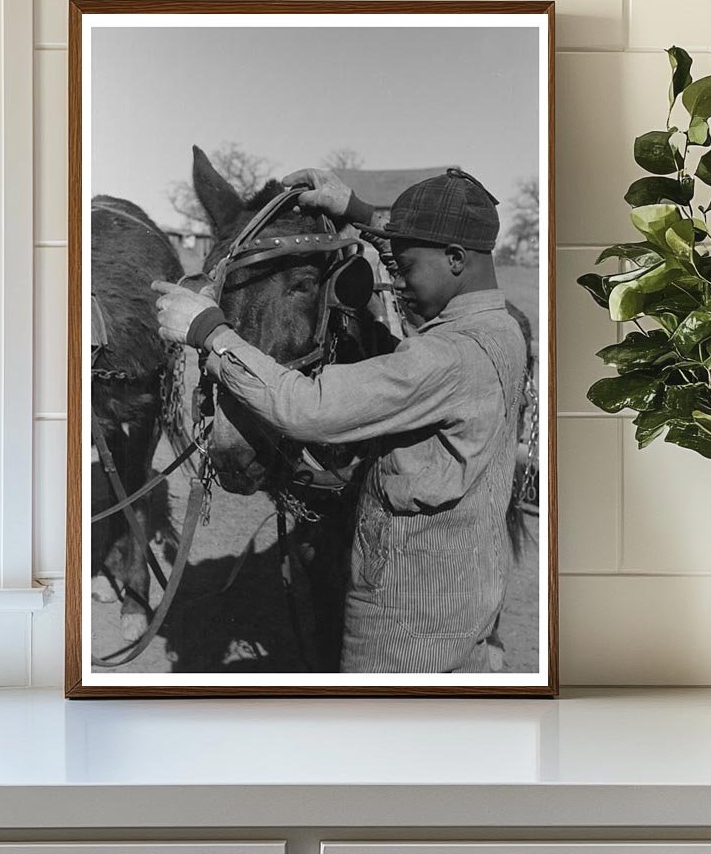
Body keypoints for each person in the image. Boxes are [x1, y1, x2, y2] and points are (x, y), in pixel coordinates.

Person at [152, 166, 527, 673]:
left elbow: (307, 408)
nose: (395, 283)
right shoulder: (500, 331)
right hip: (459, 594)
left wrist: (209, 332)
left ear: (457, 260)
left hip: (405, 624)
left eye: (405, 268)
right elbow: (427, 253)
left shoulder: (447, 357)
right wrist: (354, 209)